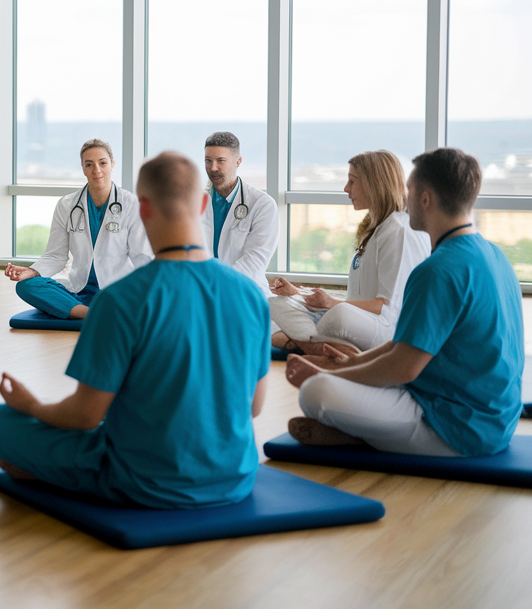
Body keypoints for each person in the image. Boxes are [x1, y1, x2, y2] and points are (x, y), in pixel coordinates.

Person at [0, 151, 270, 508]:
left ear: (142, 208)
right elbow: (253, 406)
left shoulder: (121, 300)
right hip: (235, 477)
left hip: (142, 480)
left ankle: (50, 469)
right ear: (204, 204)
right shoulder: (251, 296)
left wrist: (32, 405)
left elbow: (85, 416)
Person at [285, 147, 523, 457]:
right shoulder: (495, 255)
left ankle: (361, 438)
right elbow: (404, 343)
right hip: (496, 419)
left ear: (425, 198)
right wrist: (353, 363)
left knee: (316, 392)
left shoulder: (439, 270)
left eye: (408, 190)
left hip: (458, 427)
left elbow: (403, 368)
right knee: (338, 382)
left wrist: (331, 376)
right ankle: (364, 432)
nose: (404, 198)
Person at [269, 150, 429, 356]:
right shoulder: (376, 228)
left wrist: (332, 304)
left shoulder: (398, 231)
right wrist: (299, 293)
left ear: (374, 184)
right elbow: (357, 297)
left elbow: (387, 307)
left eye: (352, 181)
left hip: (388, 329)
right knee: (277, 303)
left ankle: (317, 348)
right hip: (361, 319)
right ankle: (323, 348)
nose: (346, 188)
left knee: (340, 315)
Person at [3, 140, 153, 320]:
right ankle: (92, 314)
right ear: (83, 168)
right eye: (89, 164)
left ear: (112, 165)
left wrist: (153, 291)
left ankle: (85, 311)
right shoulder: (67, 205)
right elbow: (55, 256)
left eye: (102, 163)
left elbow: (141, 257)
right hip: (79, 292)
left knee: (147, 298)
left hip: (117, 291)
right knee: (27, 286)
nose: (96, 170)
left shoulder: (131, 204)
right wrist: (32, 271)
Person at [201, 132, 278, 294]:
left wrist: (217, 284)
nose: (213, 168)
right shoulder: (194, 202)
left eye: (221, 161)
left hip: (244, 292)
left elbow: (255, 260)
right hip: (203, 291)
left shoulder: (262, 204)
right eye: (208, 161)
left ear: (238, 161)